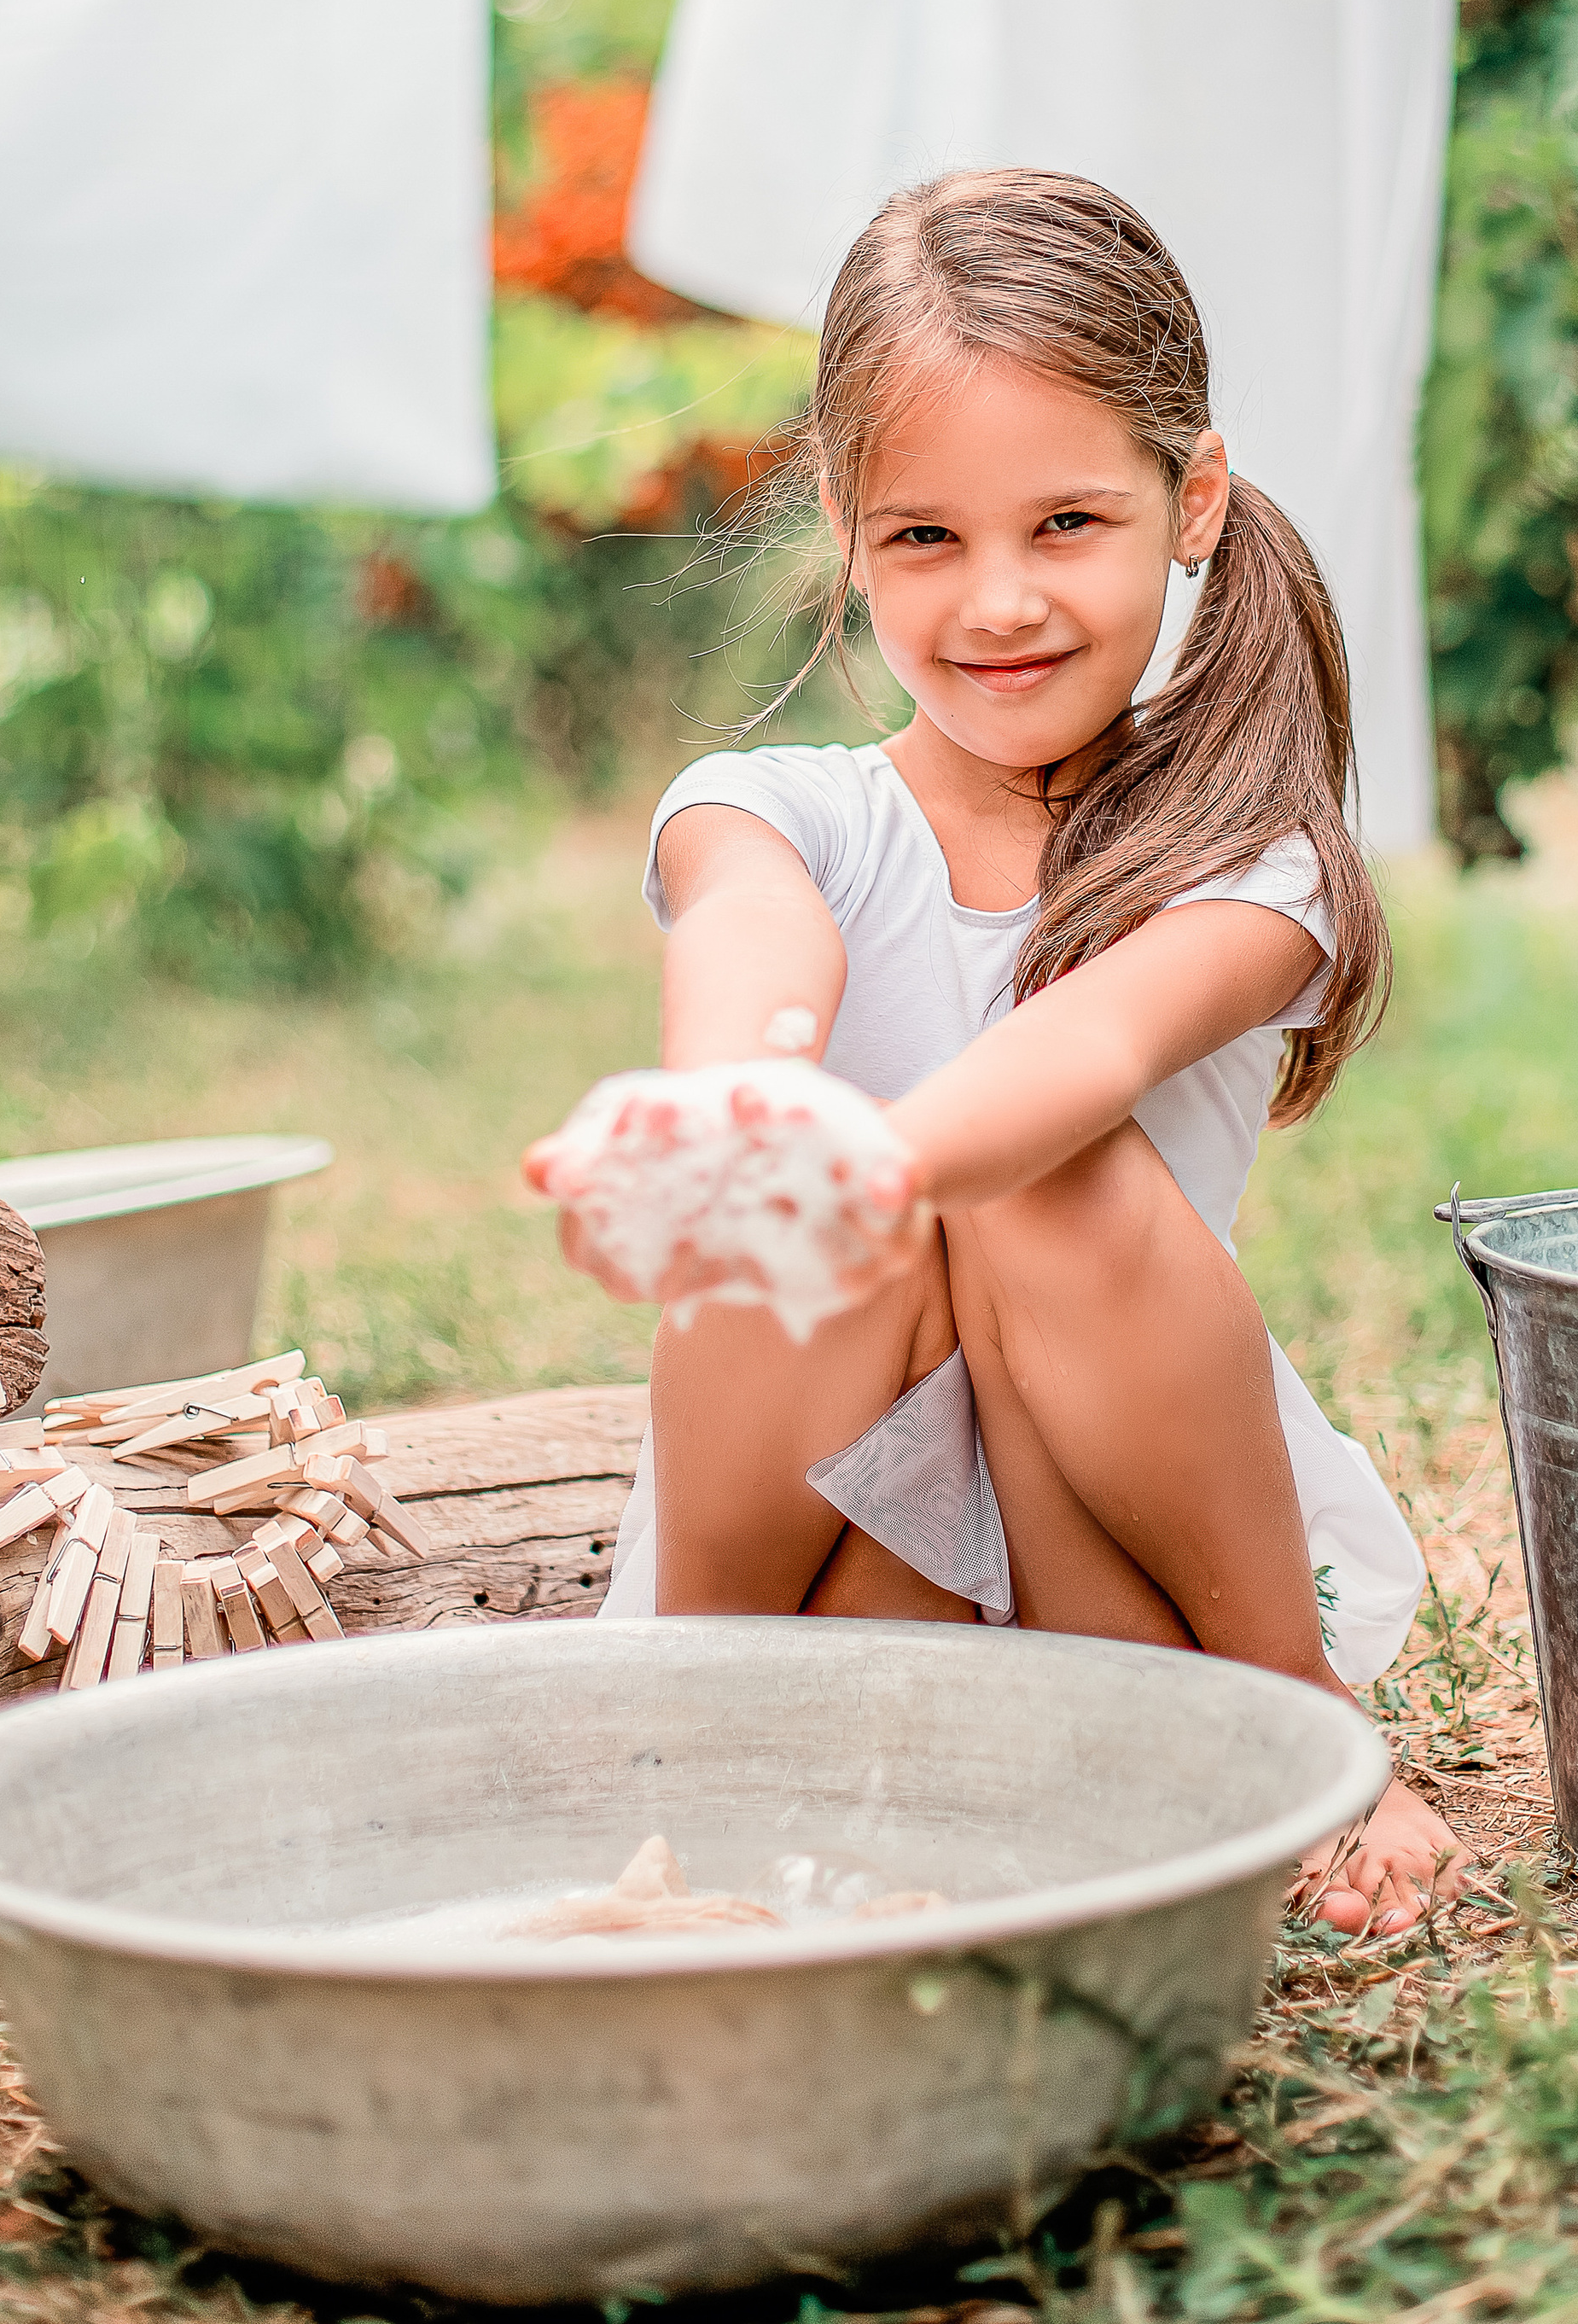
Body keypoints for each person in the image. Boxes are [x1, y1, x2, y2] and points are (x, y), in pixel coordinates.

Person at [526, 169, 1464, 1939]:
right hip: (818, 1602)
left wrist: (862, 1170)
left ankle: (1296, 1733)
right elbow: (753, 939)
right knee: (782, 1171)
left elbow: (1090, 1043)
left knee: (1021, 1174)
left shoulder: (1247, 862)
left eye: (1066, 524)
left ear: (1190, 504)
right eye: (925, 539)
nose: (1000, 602)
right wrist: (721, 1113)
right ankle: (683, 1737)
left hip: (1126, 1599)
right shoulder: (772, 810)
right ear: (842, 525)